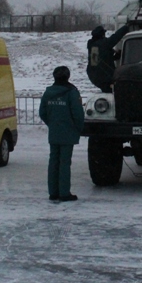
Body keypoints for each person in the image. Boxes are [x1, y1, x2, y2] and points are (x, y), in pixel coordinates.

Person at [38, 66, 85, 202]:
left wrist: (52, 124)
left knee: (53, 161)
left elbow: (43, 112)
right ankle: (64, 193)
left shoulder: (48, 92)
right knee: (64, 162)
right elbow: (78, 114)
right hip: (68, 131)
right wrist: (78, 128)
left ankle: (53, 192)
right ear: (67, 76)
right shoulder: (71, 92)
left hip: (54, 131)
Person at [86, 23, 130, 92]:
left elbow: (100, 59)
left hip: (94, 76)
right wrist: (126, 27)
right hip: (105, 77)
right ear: (102, 34)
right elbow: (116, 36)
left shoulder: (92, 45)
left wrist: (115, 56)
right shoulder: (104, 43)